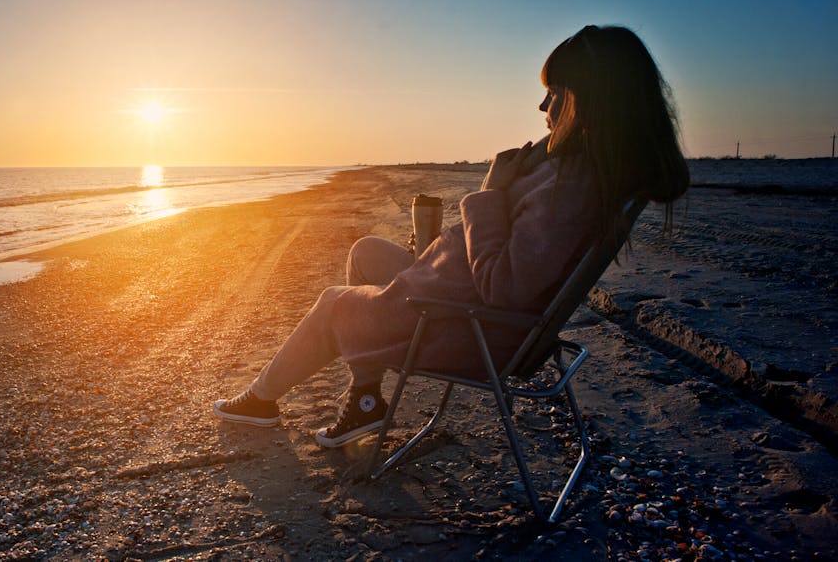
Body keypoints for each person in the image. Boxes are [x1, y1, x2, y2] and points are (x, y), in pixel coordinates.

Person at [213, 25, 690, 448]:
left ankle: (261, 401)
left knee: (334, 303)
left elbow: (503, 288)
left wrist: (490, 192)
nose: (543, 106)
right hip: (456, 300)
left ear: (586, 101)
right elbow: (511, 258)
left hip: (464, 326)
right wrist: (444, 248)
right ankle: (365, 402)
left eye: (555, 93)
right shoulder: (578, 172)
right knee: (365, 253)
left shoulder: (569, 189)